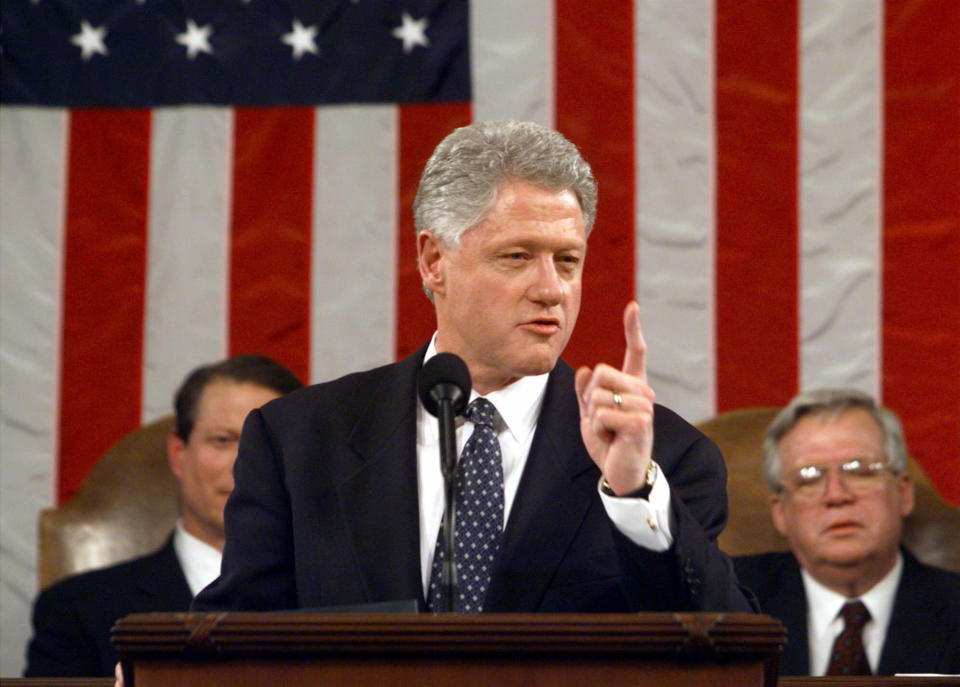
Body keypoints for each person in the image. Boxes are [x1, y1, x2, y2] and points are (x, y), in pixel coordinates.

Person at [193, 120, 755, 616]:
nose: (550, 289)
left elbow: (724, 647)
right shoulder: (298, 441)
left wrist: (633, 495)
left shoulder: (667, 459)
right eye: (517, 257)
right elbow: (237, 634)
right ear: (434, 262)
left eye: (567, 261)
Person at [24, 355, 302, 677]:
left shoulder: (338, 598)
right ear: (178, 454)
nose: (244, 465)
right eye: (223, 440)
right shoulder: (77, 610)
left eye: (265, 445)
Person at [733, 388, 960, 676]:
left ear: (903, 493)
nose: (837, 495)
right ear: (780, 512)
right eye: (810, 478)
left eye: (859, 470)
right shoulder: (729, 604)